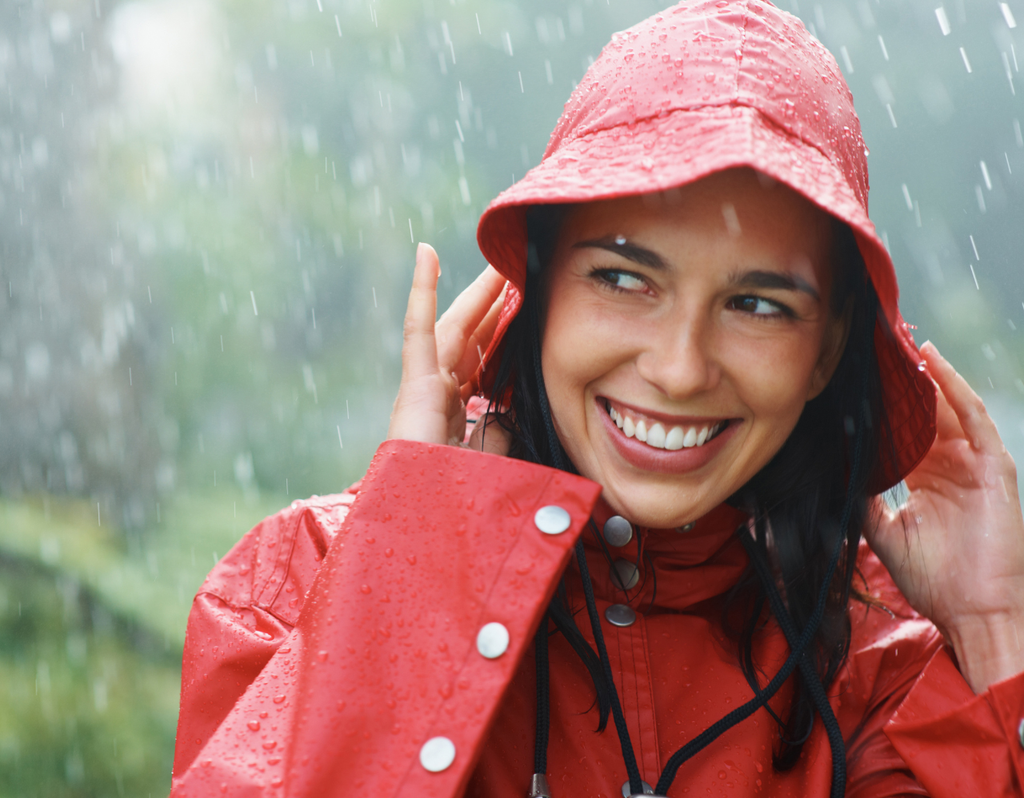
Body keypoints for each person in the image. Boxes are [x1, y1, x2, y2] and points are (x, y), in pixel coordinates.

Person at [169, 1, 1024, 796]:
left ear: (827, 349)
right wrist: (417, 552)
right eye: (622, 278)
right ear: (536, 297)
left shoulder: (881, 666)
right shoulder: (291, 586)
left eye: (756, 304)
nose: (681, 368)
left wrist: (994, 628)